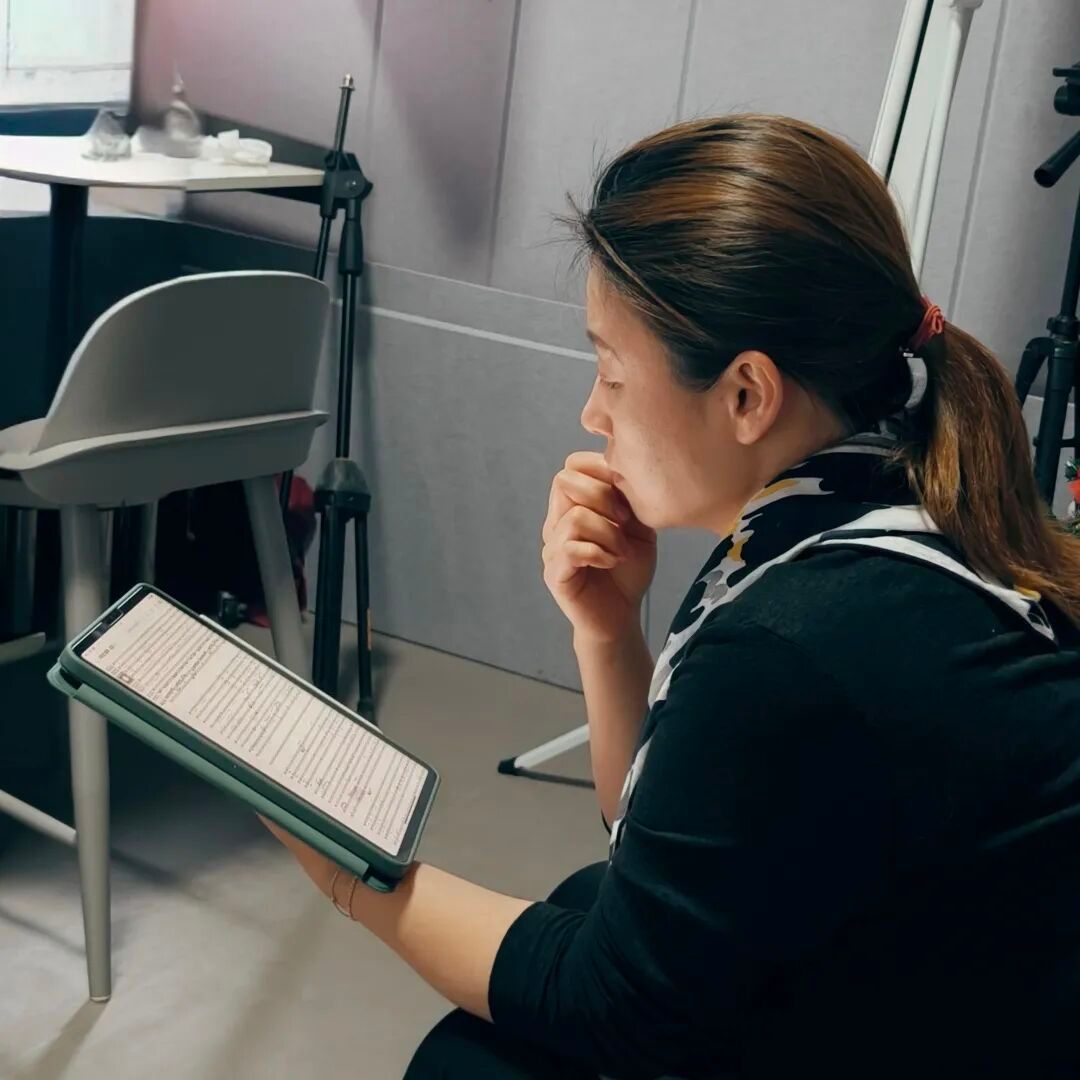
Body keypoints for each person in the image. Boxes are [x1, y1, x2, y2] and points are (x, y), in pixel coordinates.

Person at [261, 114, 1080, 1078]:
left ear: (747, 396)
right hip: (939, 986)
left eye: (612, 373)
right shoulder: (869, 495)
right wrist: (608, 630)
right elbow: (653, 825)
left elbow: (613, 1004)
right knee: (582, 904)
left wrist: (349, 873)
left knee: (468, 1064)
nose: (592, 412)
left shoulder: (796, 636)